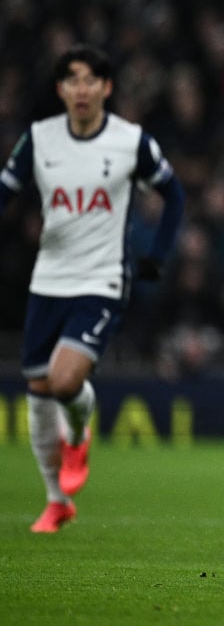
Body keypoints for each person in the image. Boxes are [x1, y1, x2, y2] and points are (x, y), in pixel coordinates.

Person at [0, 44, 185, 533]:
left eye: (91, 80)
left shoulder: (130, 141)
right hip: (48, 280)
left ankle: (80, 431)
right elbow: (5, 192)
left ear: (106, 87)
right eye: (72, 80)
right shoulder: (39, 139)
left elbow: (174, 193)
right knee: (38, 390)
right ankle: (56, 499)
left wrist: (158, 256)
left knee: (63, 382)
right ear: (60, 89)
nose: (81, 89)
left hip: (102, 280)